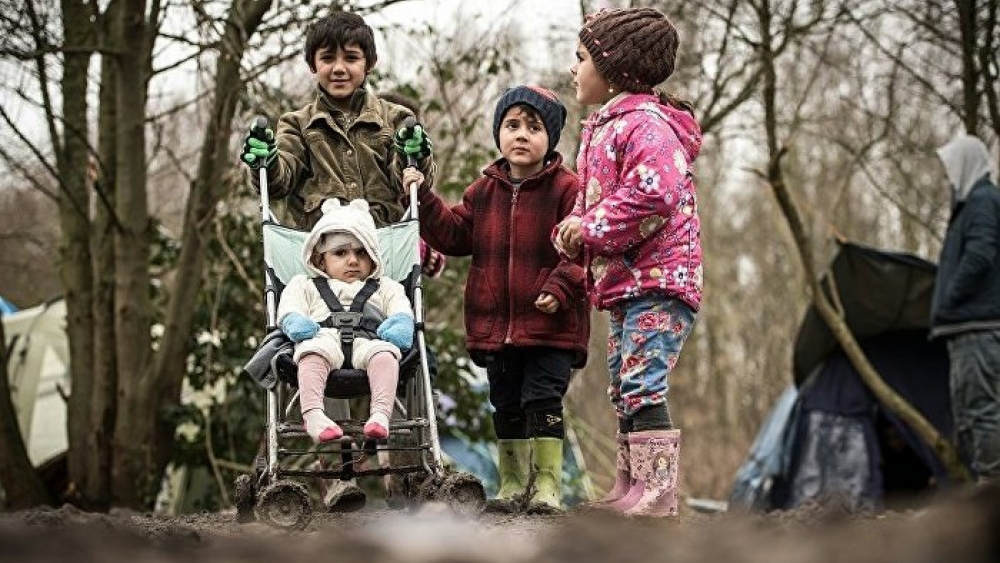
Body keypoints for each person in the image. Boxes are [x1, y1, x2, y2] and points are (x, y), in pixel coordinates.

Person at [238, 10, 433, 510]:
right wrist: (262, 162)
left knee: (388, 355)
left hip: (378, 261)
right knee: (326, 356)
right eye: (328, 58)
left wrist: (418, 157)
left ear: (368, 62)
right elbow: (280, 177)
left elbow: (410, 177)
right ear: (313, 64)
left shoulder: (393, 119)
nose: (340, 67)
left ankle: (402, 475)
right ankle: (338, 475)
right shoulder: (297, 125)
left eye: (351, 57)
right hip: (321, 264)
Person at [410, 85, 590, 514]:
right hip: (497, 326)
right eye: (512, 126)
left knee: (542, 400)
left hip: (550, 326)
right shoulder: (483, 191)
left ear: (551, 139)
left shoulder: (567, 189)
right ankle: (510, 482)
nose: (521, 135)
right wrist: (422, 196)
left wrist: (559, 287)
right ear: (498, 134)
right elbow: (453, 234)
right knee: (505, 402)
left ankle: (547, 484)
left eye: (534, 127)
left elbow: (583, 248)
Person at [554, 7, 703, 518]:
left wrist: (591, 227)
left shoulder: (644, 123)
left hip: (662, 280)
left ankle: (657, 495)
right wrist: (572, 229)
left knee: (643, 381)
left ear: (612, 67)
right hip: (628, 283)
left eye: (580, 58)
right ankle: (629, 489)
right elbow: (593, 200)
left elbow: (656, 193)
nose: (573, 69)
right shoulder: (603, 126)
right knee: (623, 383)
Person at [277, 198, 414, 444]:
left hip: (370, 339)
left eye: (361, 253)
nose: (352, 260)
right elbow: (289, 306)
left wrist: (400, 324)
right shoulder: (304, 284)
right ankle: (314, 414)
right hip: (322, 336)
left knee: (386, 353)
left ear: (373, 257)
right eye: (340, 253)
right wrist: (294, 321)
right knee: (311, 352)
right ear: (320, 260)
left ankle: (380, 415)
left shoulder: (385, 286)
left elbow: (401, 309)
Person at [930, 133, 1000, 483]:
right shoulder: (971, 206)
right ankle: (983, 488)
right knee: (969, 415)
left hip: (978, 326)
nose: (948, 177)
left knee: (983, 412)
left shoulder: (983, 201)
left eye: (951, 168)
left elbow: (980, 256)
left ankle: (990, 489)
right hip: (964, 328)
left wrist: (950, 298)